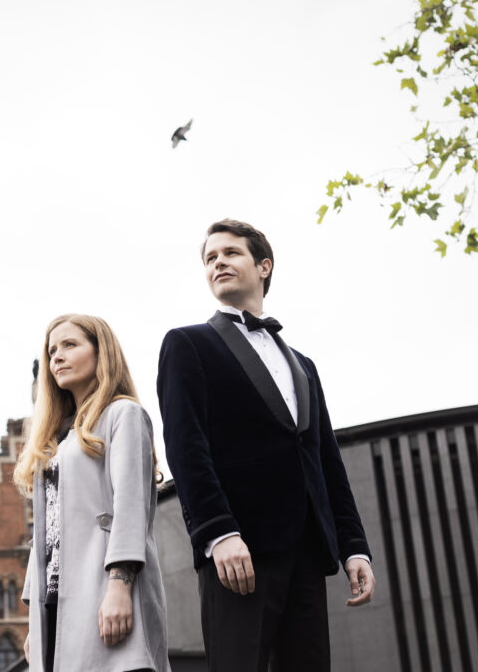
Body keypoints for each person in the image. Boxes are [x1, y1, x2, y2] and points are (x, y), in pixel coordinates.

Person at [157, 220, 375, 671]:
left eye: (230, 253)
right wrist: (218, 532)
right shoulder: (187, 344)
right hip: (238, 552)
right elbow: (186, 445)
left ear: (263, 266)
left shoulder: (303, 365)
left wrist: (353, 546)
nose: (218, 262)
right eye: (210, 258)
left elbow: (326, 461)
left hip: (309, 554)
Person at [15, 314, 171, 672]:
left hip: (102, 587)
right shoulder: (55, 438)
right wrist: (33, 619)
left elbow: (130, 507)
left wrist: (118, 587)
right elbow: (45, 531)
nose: (57, 356)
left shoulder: (123, 414)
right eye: (52, 349)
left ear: (101, 353)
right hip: (56, 600)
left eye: (70, 345)